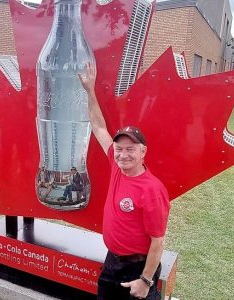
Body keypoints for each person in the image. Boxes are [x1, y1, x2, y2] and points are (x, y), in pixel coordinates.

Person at [79, 63, 170, 300]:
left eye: (131, 149)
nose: (123, 154)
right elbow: (98, 126)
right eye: (119, 148)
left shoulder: (151, 189)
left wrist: (145, 281)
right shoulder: (116, 165)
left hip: (138, 269)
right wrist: (90, 90)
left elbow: (157, 242)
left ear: (143, 152)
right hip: (112, 262)